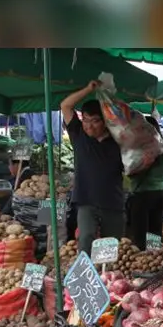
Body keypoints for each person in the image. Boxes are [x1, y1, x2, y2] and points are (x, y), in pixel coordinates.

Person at [60, 80, 125, 255]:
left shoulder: (118, 141)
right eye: (85, 120)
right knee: (86, 239)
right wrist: (88, 89)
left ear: (105, 121)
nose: (89, 125)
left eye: (95, 121)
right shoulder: (78, 135)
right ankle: (84, 277)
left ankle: (108, 279)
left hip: (113, 202)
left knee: (110, 248)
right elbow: (65, 105)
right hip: (86, 201)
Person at [125, 116, 163, 250]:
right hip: (159, 195)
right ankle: (153, 259)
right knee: (154, 235)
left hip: (142, 196)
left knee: (140, 236)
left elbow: (133, 171)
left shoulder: (146, 150)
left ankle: (143, 262)